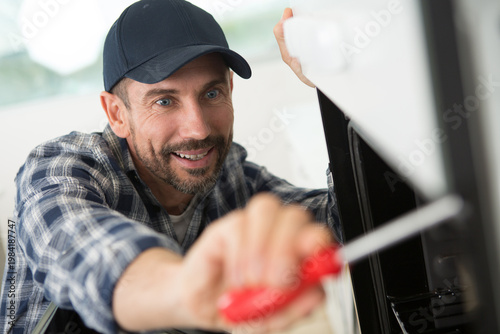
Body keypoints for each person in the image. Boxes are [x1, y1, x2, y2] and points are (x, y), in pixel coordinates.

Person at [0, 1, 341, 333]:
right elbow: (89, 254)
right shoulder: (61, 169)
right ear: (117, 114)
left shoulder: (231, 176)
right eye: (165, 101)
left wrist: (336, 90)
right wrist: (189, 289)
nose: (199, 129)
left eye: (211, 94)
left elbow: (350, 219)